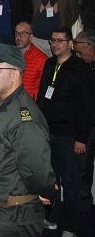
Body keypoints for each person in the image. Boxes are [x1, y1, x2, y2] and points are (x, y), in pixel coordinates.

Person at [0, 44, 56, 237]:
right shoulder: (3, 104)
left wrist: (45, 191)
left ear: (15, 74)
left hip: (14, 219)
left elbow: (37, 169)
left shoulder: (23, 118)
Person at [36, 26, 94, 236]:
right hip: (47, 132)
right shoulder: (49, 64)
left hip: (69, 136)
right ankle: (51, 218)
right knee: (50, 180)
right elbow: (43, 96)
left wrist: (81, 138)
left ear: (70, 43)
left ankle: (70, 226)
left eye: (60, 40)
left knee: (71, 183)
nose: (55, 44)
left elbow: (88, 107)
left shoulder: (81, 69)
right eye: (52, 40)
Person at [73, 30, 95, 216]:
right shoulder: (81, 68)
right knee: (83, 169)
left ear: (91, 47)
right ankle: (83, 213)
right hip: (86, 126)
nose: (77, 56)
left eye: (80, 52)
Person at [14, 21, 47, 100]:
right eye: (16, 34)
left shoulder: (40, 59)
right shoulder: (11, 55)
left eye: (23, 34)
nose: (18, 37)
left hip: (29, 103)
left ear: (31, 37)